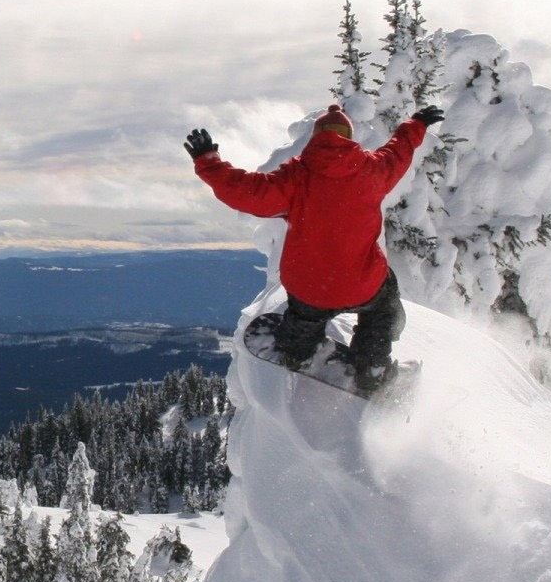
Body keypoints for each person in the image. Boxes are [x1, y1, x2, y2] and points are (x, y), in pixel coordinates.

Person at [184, 102, 444, 392]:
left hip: (311, 289)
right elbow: (399, 151)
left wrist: (208, 161)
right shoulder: (372, 171)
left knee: (305, 314)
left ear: (316, 136)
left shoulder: (296, 178)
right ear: (348, 136)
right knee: (382, 308)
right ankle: (373, 364)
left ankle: (298, 352)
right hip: (363, 285)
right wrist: (416, 124)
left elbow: (246, 191)